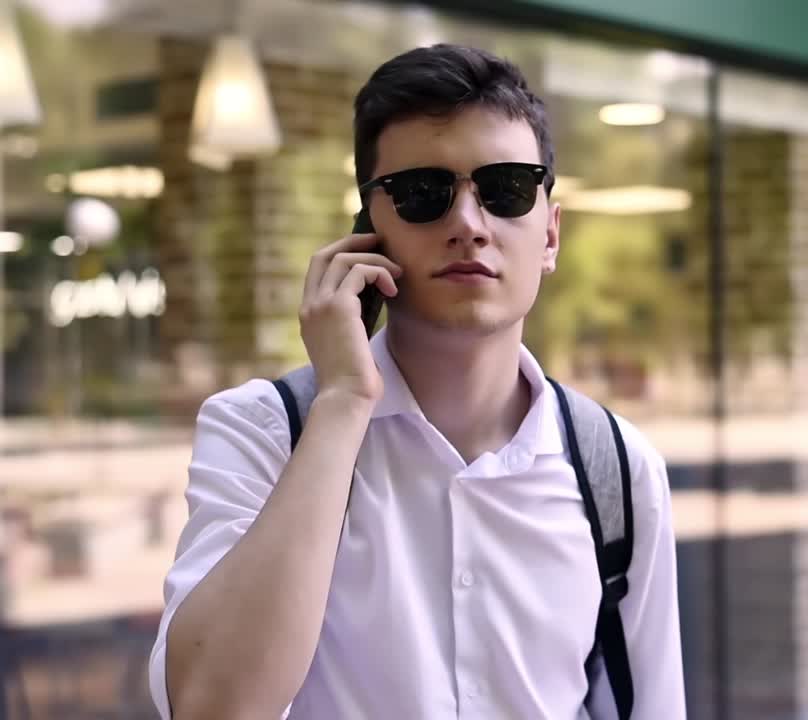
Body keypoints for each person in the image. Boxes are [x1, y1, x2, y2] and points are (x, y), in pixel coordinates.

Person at [148, 44, 685, 719]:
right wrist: (343, 402)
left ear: (550, 234)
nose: (468, 224)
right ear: (368, 230)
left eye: (506, 188)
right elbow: (211, 706)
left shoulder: (617, 469)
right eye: (423, 193)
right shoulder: (263, 432)